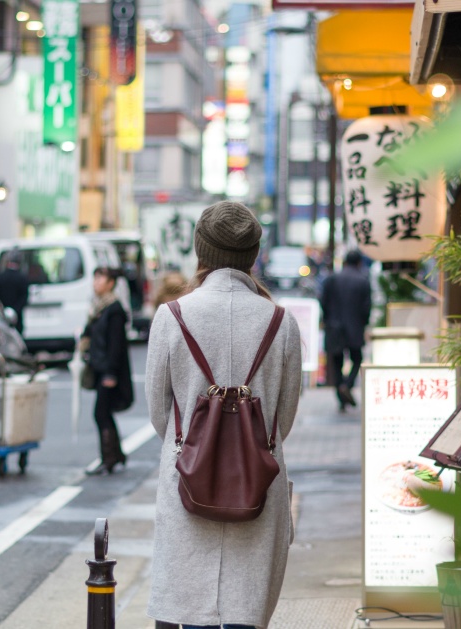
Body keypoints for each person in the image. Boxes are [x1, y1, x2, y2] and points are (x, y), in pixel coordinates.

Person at [145, 201, 303, 629]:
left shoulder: (171, 317)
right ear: (253, 255)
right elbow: (282, 420)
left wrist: (196, 443)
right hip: (258, 483)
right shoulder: (281, 322)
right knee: (244, 612)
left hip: (187, 481)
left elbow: (159, 414)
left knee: (188, 608)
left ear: (202, 252)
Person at [82, 267, 134, 475]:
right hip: (100, 368)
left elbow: (116, 345)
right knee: (104, 413)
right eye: (95, 277)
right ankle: (117, 454)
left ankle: (109, 459)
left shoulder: (114, 310)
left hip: (109, 371)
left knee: (101, 413)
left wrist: (111, 373)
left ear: (111, 283)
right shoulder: (99, 307)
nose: (96, 282)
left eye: (100, 278)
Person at [320, 248, 372, 412]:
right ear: (359, 263)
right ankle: (347, 385)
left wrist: (328, 319)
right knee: (357, 359)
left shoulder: (331, 279)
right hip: (354, 328)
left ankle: (341, 398)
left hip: (334, 327)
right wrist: (364, 324)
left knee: (336, 363)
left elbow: (323, 302)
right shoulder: (363, 281)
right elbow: (366, 308)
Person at [0, 251, 29, 333]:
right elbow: (24, 298)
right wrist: (15, 310)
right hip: (17, 318)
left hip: (1, 317)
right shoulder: (22, 278)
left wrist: (2, 310)